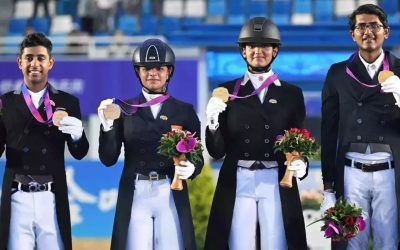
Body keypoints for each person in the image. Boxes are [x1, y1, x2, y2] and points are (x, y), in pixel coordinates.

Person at [204, 17, 308, 250]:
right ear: (243, 51)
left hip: (276, 179)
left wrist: (302, 163)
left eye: (264, 46)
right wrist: (212, 122)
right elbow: (217, 150)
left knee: (277, 244)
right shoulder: (226, 91)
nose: (258, 51)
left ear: (275, 51)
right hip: (239, 179)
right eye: (251, 46)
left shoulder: (292, 94)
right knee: (240, 244)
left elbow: (299, 140)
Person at [97, 38, 203, 250]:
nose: (152, 73)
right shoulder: (124, 109)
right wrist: (107, 126)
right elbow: (108, 158)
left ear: (168, 72)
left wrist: (192, 168)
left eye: (159, 68)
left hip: (170, 191)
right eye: (146, 68)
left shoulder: (185, 111)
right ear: (138, 71)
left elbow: (197, 157)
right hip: (136, 192)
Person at [320, 4, 400, 249]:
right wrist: (328, 188)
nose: (368, 31)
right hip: (351, 171)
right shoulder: (337, 73)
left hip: (389, 170)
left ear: (386, 32)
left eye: (374, 25)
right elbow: (328, 132)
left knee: (389, 241)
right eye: (361, 26)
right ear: (352, 34)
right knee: (353, 241)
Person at [0, 33, 89, 250]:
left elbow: (79, 152)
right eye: (29, 58)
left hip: (51, 197)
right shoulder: (5, 103)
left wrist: (78, 134)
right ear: (20, 62)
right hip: (16, 197)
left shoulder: (68, 101)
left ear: (50, 62)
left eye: (40, 58)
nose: (35, 63)